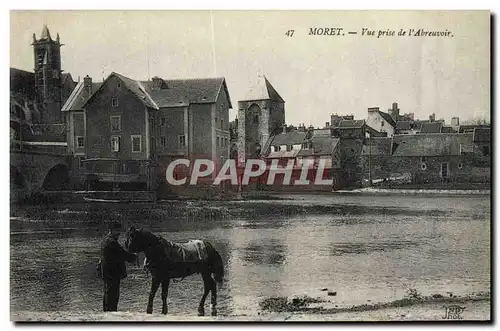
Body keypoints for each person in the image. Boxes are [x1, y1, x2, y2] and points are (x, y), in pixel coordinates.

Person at [100, 221, 137, 312]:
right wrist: (134, 256)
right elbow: (123, 255)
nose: (118, 233)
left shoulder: (106, 240)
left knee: (107, 297)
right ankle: (111, 318)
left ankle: (107, 317)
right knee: (112, 299)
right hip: (112, 275)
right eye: (116, 231)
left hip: (107, 274)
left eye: (119, 231)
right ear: (111, 230)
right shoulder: (112, 243)